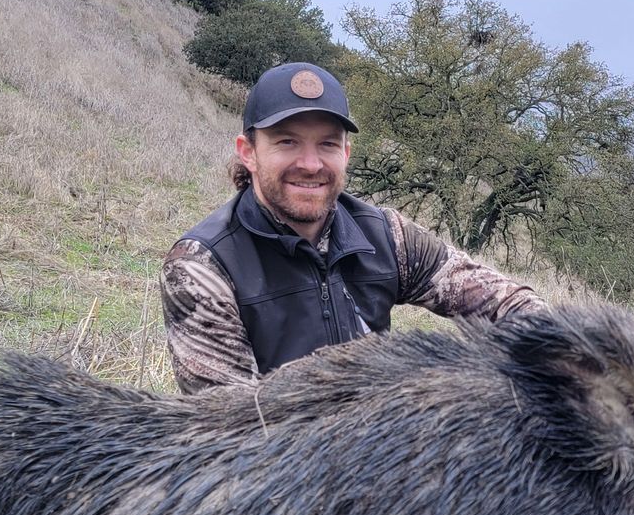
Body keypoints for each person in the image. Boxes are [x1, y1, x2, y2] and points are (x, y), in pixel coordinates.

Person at [160, 62, 546, 394]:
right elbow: (231, 428)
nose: (310, 164)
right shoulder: (202, 266)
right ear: (249, 152)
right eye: (287, 142)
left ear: (345, 154)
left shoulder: (385, 235)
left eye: (327, 144)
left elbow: (504, 303)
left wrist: (575, 348)